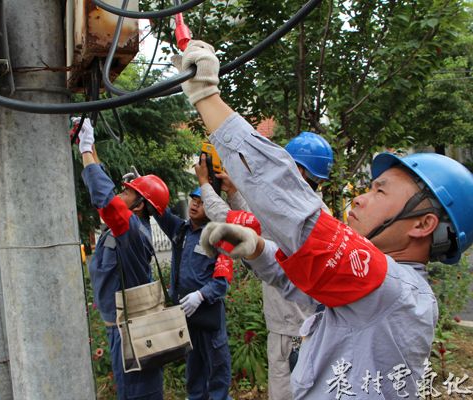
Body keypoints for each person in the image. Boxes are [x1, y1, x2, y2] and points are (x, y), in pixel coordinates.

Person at [173, 40, 473, 399]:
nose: (360, 199)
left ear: (422, 224)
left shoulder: (395, 290)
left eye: (380, 191)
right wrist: (257, 250)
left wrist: (206, 93)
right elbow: (305, 283)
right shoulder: (373, 289)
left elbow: (295, 209)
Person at [195, 136, 334, 400]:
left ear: (300, 171)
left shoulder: (294, 215)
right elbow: (259, 222)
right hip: (304, 326)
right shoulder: (312, 211)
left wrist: (205, 184)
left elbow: (232, 224)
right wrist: (234, 193)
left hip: (292, 331)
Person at [77, 119, 167, 399]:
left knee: (138, 394)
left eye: (128, 193)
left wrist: (84, 150)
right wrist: (89, 146)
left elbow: (105, 199)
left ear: (140, 206)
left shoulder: (131, 232)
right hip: (121, 329)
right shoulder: (124, 230)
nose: (120, 192)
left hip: (132, 331)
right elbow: (108, 200)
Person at [153, 187, 231, 400]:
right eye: (193, 200)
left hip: (208, 313)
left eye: (202, 201)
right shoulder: (181, 230)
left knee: (217, 367)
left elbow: (222, 282)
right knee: (194, 367)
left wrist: (201, 295)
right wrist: (142, 186)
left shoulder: (218, 237)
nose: (195, 204)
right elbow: (159, 210)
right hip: (186, 314)